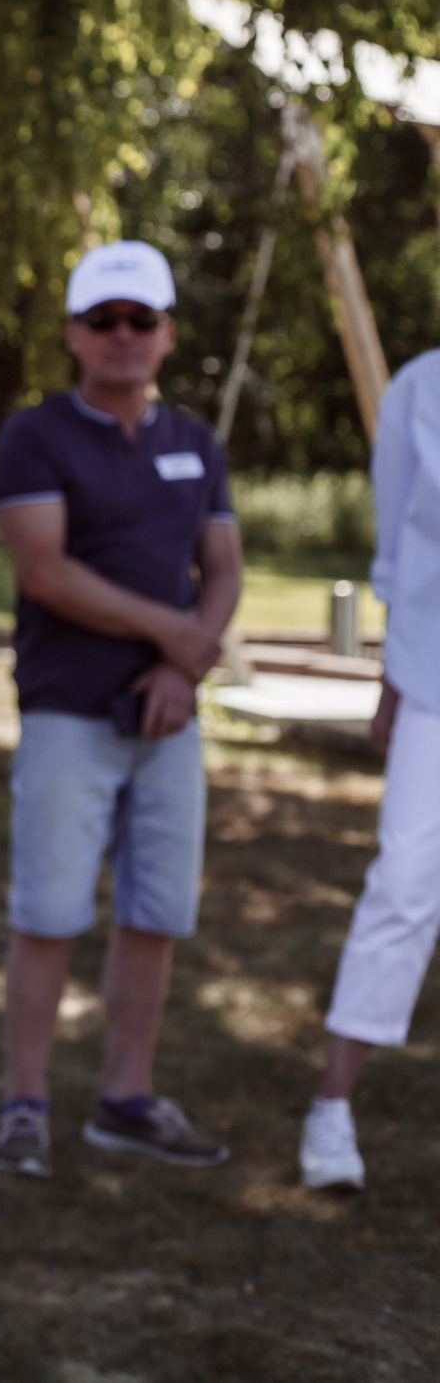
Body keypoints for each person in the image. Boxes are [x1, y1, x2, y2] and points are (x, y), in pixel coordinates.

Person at [0, 243, 240, 1176]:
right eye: (105, 320)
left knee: (156, 913)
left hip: (169, 721)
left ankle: (125, 1099)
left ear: (168, 333)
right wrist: (177, 632)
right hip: (67, 713)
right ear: (73, 335)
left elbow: (226, 568)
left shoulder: (196, 442)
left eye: (141, 320)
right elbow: (43, 569)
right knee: (48, 912)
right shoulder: (35, 434)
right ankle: (25, 1104)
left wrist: (183, 669)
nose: (123, 336)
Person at [302, 346, 440, 1190]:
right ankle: (332, 1107)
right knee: (405, 882)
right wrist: (391, 681)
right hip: (435, 675)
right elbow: (399, 554)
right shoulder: (417, 390)